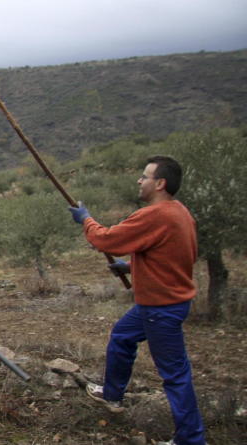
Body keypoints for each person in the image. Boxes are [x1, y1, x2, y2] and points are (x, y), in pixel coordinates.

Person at [68, 155, 206, 445]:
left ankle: (191, 440)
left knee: (175, 374)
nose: (139, 181)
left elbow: (105, 240)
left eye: (145, 176)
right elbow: (177, 255)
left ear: (160, 183)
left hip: (161, 307)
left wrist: (86, 220)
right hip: (163, 303)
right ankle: (112, 394)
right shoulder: (180, 212)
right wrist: (132, 266)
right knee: (122, 337)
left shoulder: (155, 214)